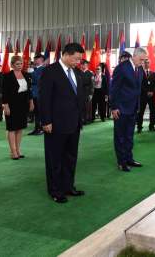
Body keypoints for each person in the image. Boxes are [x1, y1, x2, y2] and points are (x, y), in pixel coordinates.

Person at [39, 43, 86, 204]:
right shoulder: (50, 71)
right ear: (66, 55)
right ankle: (55, 190)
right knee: (55, 159)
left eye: (80, 59)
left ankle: (68, 187)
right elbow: (44, 98)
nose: (78, 62)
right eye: (76, 59)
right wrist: (46, 121)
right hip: (55, 124)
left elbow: (78, 97)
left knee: (71, 157)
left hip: (74, 123)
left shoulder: (77, 72)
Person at [110, 47, 146, 171]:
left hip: (133, 108)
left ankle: (129, 159)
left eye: (144, 60)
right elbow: (114, 89)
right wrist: (114, 107)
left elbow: (138, 89)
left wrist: (138, 105)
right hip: (121, 108)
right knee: (120, 136)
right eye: (141, 60)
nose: (143, 62)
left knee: (129, 136)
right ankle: (121, 162)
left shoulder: (139, 69)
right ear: (134, 56)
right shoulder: (121, 68)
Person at [2, 56, 34, 160]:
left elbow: (29, 90)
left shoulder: (26, 75)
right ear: (12, 65)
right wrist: (5, 106)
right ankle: (13, 151)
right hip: (11, 105)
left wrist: (31, 102)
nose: (20, 66)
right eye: (17, 64)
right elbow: (4, 92)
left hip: (23, 104)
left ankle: (18, 150)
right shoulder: (7, 76)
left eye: (21, 64)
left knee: (20, 128)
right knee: (11, 128)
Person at [137, 59, 155, 132]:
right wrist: (147, 92)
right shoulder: (140, 74)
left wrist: (152, 92)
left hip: (152, 96)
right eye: (145, 63)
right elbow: (140, 85)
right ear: (143, 64)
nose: (146, 64)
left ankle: (152, 126)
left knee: (152, 111)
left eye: (148, 62)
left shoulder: (153, 73)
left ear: (149, 64)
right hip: (143, 96)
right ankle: (139, 127)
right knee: (141, 112)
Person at [28, 54, 45, 135]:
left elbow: (39, 80)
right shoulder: (34, 69)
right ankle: (36, 128)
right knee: (36, 112)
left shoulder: (44, 69)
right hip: (33, 93)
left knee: (40, 112)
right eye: (35, 59)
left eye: (37, 59)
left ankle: (41, 128)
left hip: (40, 93)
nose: (35, 60)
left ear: (41, 60)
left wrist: (32, 73)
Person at [80, 60, 94, 125]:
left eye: (85, 64)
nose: (83, 66)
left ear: (87, 65)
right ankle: (81, 119)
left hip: (87, 91)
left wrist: (91, 94)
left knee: (87, 106)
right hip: (80, 91)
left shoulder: (90, 73)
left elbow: (92, 84)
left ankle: (87, 119)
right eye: (82, 64)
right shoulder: (79, 72)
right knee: (81, 106)